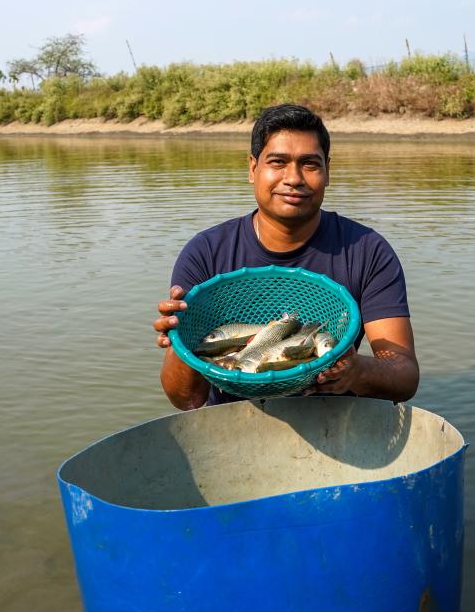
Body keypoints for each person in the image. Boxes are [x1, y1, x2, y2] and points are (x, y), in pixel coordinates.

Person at [153, 104, 419, 410]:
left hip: (333, 423)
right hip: (231, 424)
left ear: (327, 171)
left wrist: (357, 371)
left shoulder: (367, 250)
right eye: (278, 162)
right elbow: (186, 399)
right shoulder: (206, 253)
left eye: (309, 164)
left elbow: (404, 375)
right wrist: (182, 339)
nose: (293, 178)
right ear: (253, 169)